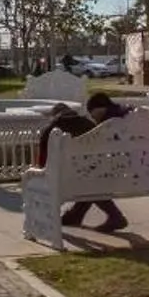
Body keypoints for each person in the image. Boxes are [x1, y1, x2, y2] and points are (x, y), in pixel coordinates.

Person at [56, 92, 131, 232]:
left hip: (127, 172)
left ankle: (115, 216)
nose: (92, 117)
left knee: (89, 178)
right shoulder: (127, 113)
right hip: (148, 170)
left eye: (92, 113)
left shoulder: (109, 123)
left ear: (99, 108)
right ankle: (76, 214)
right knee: (93, 175)